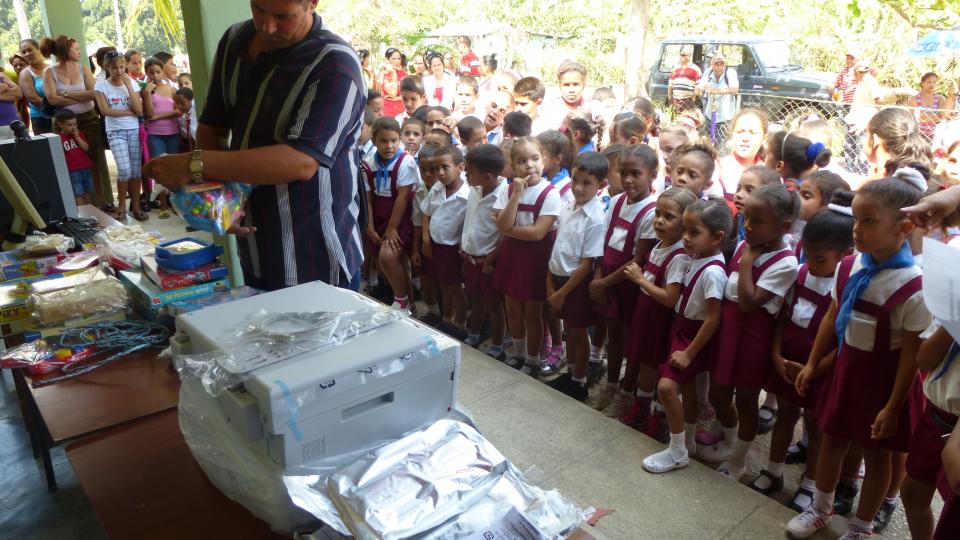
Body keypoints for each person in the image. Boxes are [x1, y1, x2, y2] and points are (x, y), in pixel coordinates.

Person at [144, 0, 367, 291]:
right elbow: (214, 124)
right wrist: (221, 196)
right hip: (254, 247)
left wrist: (193, 164)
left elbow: (300, 162)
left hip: (315, 253)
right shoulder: (236, 41)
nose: (268, 26)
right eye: (259, 9)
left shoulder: (335, 65)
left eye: (283, 16)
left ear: (312, 3)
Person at [787, 171, 931, 539]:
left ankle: (862, 526)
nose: (857, 229)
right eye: (856, 219)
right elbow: (833, 316)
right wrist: (813, 363)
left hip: (884, 384)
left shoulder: (914, 286)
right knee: (831, 439)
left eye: (869, 221)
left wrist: (893, 407)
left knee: (876, 455)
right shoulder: (849, 267)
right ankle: (820, 508)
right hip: (847, 372)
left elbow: (911, 356)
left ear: (904, 227)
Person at [755, 192, 854, 508]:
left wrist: (815, 368)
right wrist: (775, 354)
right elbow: (782, 318)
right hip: (787, 363)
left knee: (814, 425)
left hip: (819, 372)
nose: (811, 264)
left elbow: (841, 342)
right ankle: (774, 471)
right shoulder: (800, 275)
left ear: (846, 255)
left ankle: (810, 485)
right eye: (807, 256)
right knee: (785, 415)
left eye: (820, 259)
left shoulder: (845, 291)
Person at [701, 184, 799, 481]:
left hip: (753, 338)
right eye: (747, 219)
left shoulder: (786, 262)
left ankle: (739, 459)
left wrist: (746, 262)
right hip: (728, 331)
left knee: (745, 399)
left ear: (783, 226)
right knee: (718, 393)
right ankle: (729, 441)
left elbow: (748, 301)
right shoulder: (748, 245)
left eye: (757, 221)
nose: (747, 227)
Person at [641, 197, 730, 473]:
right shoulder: (694, 257)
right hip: (681, 326)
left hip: (694, 335)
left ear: (717, 237)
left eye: (694, 233)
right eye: (686, 231)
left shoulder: (713, 271)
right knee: (688, 389)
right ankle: (687, 441)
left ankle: (677, 450)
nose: (686, 238)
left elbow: (714, 317)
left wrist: (690, 352)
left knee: (667, 388)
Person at [591, 144, 659, 412]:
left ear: (652, 175)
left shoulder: (651, 212)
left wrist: (604, 283)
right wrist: (598, 276)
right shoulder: (617, 201)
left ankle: (627, 392)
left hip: (629, 284)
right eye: (623, 173)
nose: (628, 179)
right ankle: (611, 384)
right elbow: (604, 240)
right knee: (614, 334)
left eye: (636, 173)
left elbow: (638, 259)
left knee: (633, 341)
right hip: (608, 280)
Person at [620, 187, 696, 426]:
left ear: (685, 224)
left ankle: (658, 418)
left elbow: (670, 298)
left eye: (669, 216)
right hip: (646, 315)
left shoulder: (679, 256)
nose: (660, 220)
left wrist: (640, 279)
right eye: (658, 214)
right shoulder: (659, 245)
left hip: (659, 320)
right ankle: (641, 409)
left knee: (656, 367)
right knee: (645, 364)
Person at [494, 136, 562, 376]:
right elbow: (501, 222)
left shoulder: (550, 193)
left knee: (533, 313)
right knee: (513, 309)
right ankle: (519, 353)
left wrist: (508, 230)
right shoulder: (509, 189)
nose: (529, 165)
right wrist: (516, 196)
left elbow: (537, 233)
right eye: (522, 161)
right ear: (513, 165)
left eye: (534, 159)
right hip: (512, 258)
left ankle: (533, 359)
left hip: (536, 261)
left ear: (543, 160)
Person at [544, 152, 607, 401]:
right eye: (576, 180)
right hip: (559, 280)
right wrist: (551, 282)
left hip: (575, 286)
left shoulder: (595, 218)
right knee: (570, 331)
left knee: (579, 335)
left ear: (600, 186)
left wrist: (561, 292)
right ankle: (570, 374)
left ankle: (579, 383)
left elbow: (586, 264)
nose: (579, 188)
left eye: (587, 183)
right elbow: (559, 243)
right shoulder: (569, 202)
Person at [41, 35, 112, 210]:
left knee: (95, 160)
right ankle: (77, 205)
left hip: (88, 119)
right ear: (66, 50)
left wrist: (64, 94)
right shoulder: (49, 72)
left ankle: (100, 201)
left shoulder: (84, 69)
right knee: (69, 161)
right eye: (76, 48)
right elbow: (51, 99)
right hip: (64, 122)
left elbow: (93, 93)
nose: (79, 52)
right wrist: (76, 97)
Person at [364, 117, 419, 312]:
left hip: (399, 217)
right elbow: (368, 198)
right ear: (374, 140)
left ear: (400, 139)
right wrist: (369, 226)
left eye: (394, 140)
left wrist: (392, 228)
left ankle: (401, 301)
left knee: (387, 257)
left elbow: (403, 198)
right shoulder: (368, 164)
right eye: (384, 141)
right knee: (395, 263)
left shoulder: (406, 162)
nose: (389, 145)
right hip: (378, 216)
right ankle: (410, 305)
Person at [461, 144, 508, 358]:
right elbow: (470, 220)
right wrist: (465, 245)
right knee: (476, 299)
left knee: (494, 305)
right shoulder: (474, 190)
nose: (465, 174)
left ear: (487, 176)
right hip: (471, 257)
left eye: (469, 171)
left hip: (489, 262)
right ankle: (474, 333)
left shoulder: (504, 197)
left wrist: (491, 259)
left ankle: (498, 345)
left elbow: (505, 234)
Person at [95, 50, 146, 221]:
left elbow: (139, 110)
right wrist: (128, 112)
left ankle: (136, 206)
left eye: (122, 67)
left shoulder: (132, 82)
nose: (119, 71)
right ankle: (122, 205)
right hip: (115, 131)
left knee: (136, 171)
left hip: (133, 130)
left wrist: (129, 86)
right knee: (124, 170)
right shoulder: (101, 86)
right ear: (107, 67)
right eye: (115, 68)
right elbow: (105, 111)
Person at [423, 145, 469, 334]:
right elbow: (426, 213)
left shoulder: (467, 196)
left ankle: (460, 324)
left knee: (456, 288)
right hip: (434, 245)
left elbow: (468, 226)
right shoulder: (437, 188)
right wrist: (426, 240)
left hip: (452, 250)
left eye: (445, 167)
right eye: (436, 168)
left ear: (460, 167)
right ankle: (446, 318)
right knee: (443, 284)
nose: (440, 173)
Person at [714, 109, 767, 201]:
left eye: (752, 133)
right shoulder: (716, 168)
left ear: (764, 138)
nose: (745, 138)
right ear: (733, 134)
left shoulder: (769, 174)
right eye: (740, 131)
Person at [844, 61, 883, 177]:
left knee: (862, 149)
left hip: (863, 120)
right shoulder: (861, 81)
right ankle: (850, 172)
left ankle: (862, 174)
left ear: (857, 72)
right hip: (853, 118)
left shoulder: (870, 81)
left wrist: (869, 120)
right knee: (849, 146)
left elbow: (878, 100)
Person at [142, 57, 181, 160]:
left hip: (173, 132)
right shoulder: (145, 90)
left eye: (158, 72)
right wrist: (147, 93)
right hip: (155, 134)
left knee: (173, 163)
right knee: (159, 164)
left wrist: (158, 117)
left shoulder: (172, 89)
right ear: (146, 73)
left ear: (163, 71)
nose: (155, 75)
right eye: (151, 73)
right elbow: (150, 114)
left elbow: (178, 111)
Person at [698, 54, 739, 152]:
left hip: (725, 117)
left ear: (725, 64)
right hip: (709, 114)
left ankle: (720, 164)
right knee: (707, 145)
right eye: (716, 63)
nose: (719, 66)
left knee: (720, 147)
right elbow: (701, 85)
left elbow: (735, 89)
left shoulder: (730, 73)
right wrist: (698, 88)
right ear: (712, 64)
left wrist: (716, 91)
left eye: (722, 63)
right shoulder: (708, 72)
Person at [55, 109, 95, 205]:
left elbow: (86, 148)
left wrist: (77, 138)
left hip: (85, 167)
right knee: (78, 193)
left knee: (88, 191)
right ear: (60, 124)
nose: (73, 127)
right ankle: (84, 215)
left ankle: (91, 212)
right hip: (73, 171)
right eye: (69, 125)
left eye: (75, 124)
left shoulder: (79, 134)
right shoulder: (58, 138)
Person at [18, 39, 50, 134]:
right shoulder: (25, 73)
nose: (27, 54)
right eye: (24, 52)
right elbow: (33, 99)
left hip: (64, 117)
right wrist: (57, 111)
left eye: (30, 50)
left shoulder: (52, 68)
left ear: (38, 49)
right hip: (41, 120)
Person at [913, 72, 956, 141]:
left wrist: (924, 118)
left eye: (934, 82)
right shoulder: (914, 99)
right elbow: (916, 118)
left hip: (937, 136)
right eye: (929, 82)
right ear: (922, 83)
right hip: (918, 135)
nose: (932, 84)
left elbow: (944, 115)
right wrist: (938, 116)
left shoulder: (940, 98)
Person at [668, 47, 701, 114]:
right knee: (676, 120)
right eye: (680, 55)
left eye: (683, 55)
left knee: (686, 120)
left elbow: (698, 85)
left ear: (689, 56)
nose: (680, 56)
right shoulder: (675, 68)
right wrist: (669, 96)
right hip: (675, 99)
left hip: (688, 100)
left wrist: (693, 98)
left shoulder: (696, 69)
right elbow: (670, 83)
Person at [380, 47, 406, 118]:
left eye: (399, 58)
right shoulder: (384, 74)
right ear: (387, 59)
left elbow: (411, 92)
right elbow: (393, 92)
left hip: (403, 110)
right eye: (394, 59)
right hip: (388, 111)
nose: (397, 61)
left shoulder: (404, 74)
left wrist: (400, 98)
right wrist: (393, 73)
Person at [0, 70, 21, 139]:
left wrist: (4, 87)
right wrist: (4, 86)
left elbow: (18, 93)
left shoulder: (1, 75)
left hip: (15, 125)